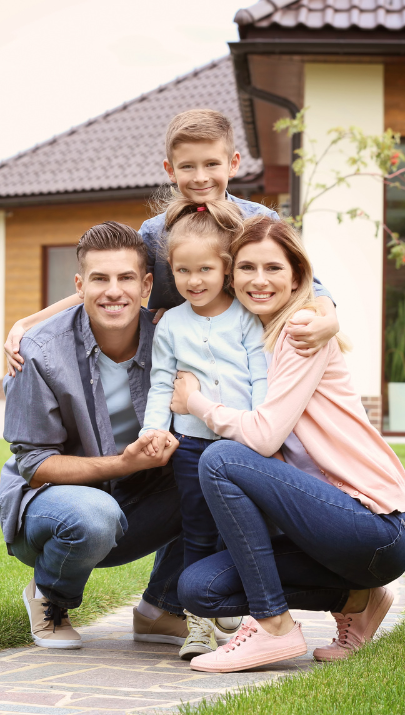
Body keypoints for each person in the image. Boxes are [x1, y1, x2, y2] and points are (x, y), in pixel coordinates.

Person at [167, 216, 405, 673]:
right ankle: (359, 598)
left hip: (375, 526)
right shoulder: (256, 338)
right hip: (328, 533)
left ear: (298, 276)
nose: (258, 281)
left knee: (221, 458)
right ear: (230, 274)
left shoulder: (301, 328)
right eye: (246, 268)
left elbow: (262, 437)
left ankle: (273, 626)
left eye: (273, 268)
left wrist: (196, 402)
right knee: (199, 588)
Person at [1, 108, 341, 377]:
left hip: (251, 357)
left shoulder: (260, 223)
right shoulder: (155, 232)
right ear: (170, 170)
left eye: (212, 164)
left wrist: (330, 320)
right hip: (180, 361)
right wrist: (28, 323)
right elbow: (108, 282)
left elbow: (310, 286)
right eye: (187, 166)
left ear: (233, 164)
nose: (201, 176)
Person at [0, 221, 189, 650]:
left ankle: (162, 607)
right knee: (94, 514)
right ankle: (50, 596)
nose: (113, 291)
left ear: (145, 285)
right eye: (100, 279)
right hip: (54, 510)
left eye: (125, 278)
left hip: (136, 501)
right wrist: (124, 463)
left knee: (218, 469)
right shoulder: (40, 351)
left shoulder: (171, 338)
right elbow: (34, 466)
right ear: (80, 285)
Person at [138, 195, 266, 660]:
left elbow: (261, 380)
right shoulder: (170, 323)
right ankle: (197, 625)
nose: (194, 281)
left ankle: (244, 616)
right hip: (191, 445)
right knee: (195, 530)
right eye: (183, 272)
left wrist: (263, 430)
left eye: (205, 271)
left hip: (240, 445)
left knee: (241, 529)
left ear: (226, 270)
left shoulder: (248, 318)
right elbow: (159, 385)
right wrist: (153, 431)